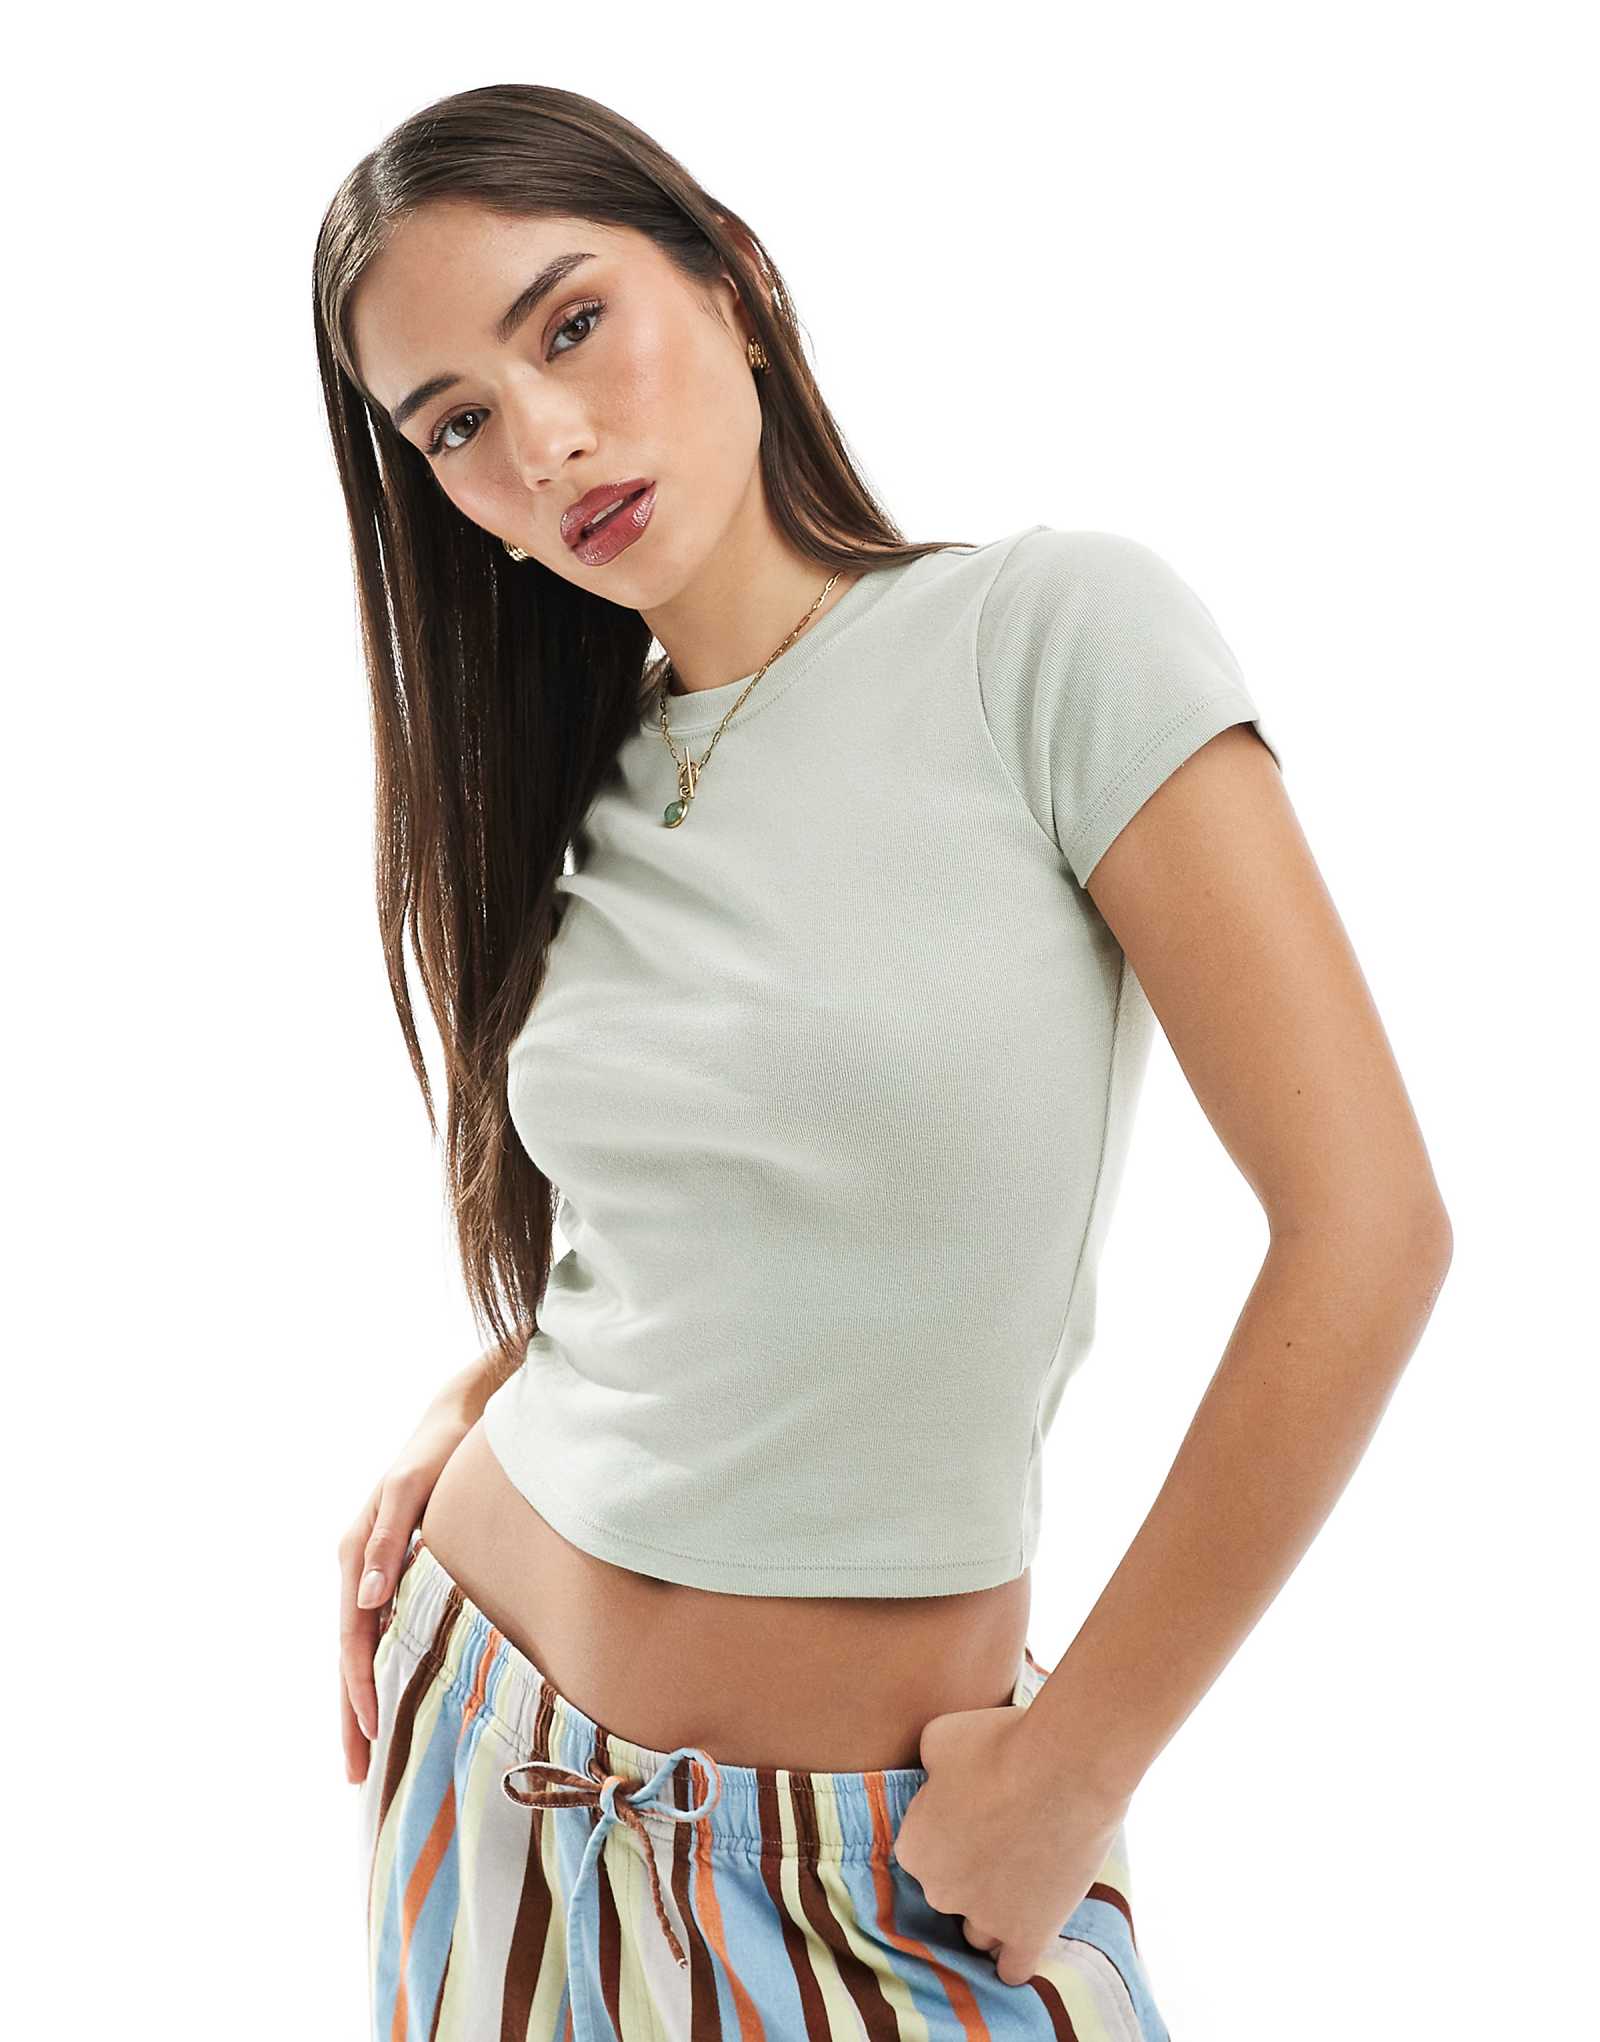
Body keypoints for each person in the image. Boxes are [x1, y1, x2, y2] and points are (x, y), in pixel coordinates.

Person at [317, 82, 1453, 2042]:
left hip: (875, 1870)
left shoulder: (1047, 638)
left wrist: (1080, 1764)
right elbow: (709, 1221)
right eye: (457, 427)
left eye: (569, 323)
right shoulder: (582, 794)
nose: (544, 439)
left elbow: (1368, 1231)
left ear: (735, 279)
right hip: (487, 1761)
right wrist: (476, 1391)